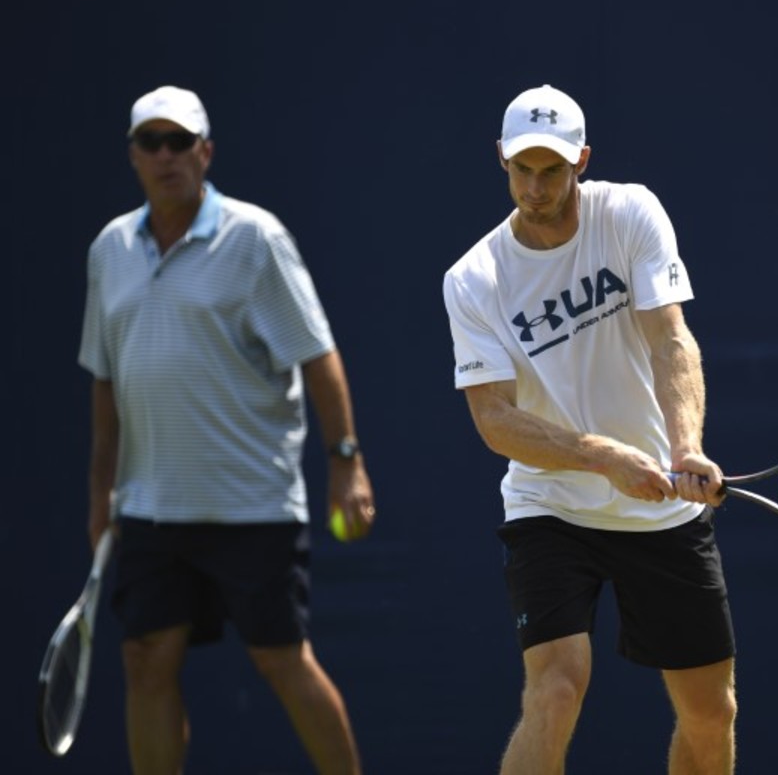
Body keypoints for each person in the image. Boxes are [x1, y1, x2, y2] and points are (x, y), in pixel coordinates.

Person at [79, 85, 377, 775]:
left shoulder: (255, 239)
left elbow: (318, 355)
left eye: (179, 142)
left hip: (253, 504)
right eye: (151, 142)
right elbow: (105, 379)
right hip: (152, 506)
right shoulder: (109, 251)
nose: (165, 155)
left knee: (281, 658)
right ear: (133, 155)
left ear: (205, 152)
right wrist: (100, 494)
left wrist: (346, 461)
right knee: (145, 657)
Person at [442, 84, 737, 773]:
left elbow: (670, 339)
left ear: (582, 160)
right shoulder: (473, 279)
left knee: (711, 712)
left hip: (660, 506)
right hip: (551, 505)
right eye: (522, 169)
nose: (535, 187)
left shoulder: (629, 213)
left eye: (552, 170)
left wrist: (685, 446)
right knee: (555, 690)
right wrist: (604, 457)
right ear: (501, 158)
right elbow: (494, 419)